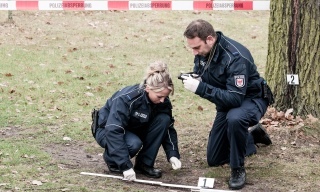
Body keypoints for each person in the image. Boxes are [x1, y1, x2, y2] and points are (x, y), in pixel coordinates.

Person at [181, 19, 273, 190]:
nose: (194, 53)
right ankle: (252, 136)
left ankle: (237, 169)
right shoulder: (204, 53)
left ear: (210, 39)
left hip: (251, 98)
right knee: (214, 159)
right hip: (228, 100)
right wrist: (196, 78)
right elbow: (206, 74)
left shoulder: (235, 57)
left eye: (196, 47)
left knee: (235, 118)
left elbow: (235, 99)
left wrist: (201, 88)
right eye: (191, 48)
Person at [93, 61, 181, 181]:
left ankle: (144, 164)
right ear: (148, 88)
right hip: (106, 129)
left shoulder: (162, 102)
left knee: (163, 120)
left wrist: (173, 154)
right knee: (133, 144)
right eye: (159, 96)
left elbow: (168, 128)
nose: (163, 100)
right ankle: (113, 161)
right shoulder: (127, 99)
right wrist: (125, 166)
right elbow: (113, 130)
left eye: (166, 97)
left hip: (134, 127)